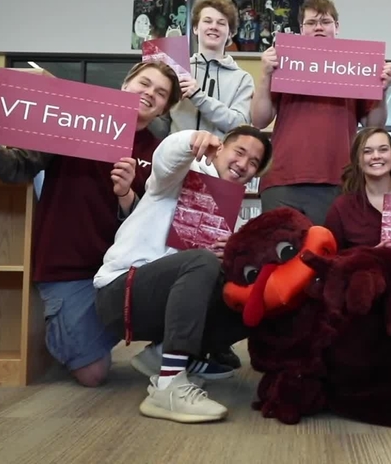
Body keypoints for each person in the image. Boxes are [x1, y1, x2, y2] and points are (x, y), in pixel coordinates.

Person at [0, 61, 181, 386]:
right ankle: (82, 331)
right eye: (144, 83)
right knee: (94, 374)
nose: (150, 94)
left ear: (164, 109)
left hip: (123, 273)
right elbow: (17, 169)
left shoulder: (161, 152)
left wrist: (126, 196)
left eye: (161, 94)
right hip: (67, 269)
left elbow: (155, 225)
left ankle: (117, 327)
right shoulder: (75, 119)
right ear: (125, 84)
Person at [93, 125, 272, 423]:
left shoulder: (233, 219)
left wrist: (236, 251)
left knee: (250, 295)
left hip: (163, 305)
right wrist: (190, 140)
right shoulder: (179, 176)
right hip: (120, 291)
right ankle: (169, 385)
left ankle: (163, 355)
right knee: (201, 262)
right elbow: (165, 160)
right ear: (221, 148)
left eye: (253, 163)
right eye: (239, 152)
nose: (243, 164)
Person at [250, 0, 391, 225]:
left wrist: (382, 90)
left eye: (325, 22)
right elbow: (258, 120)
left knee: (328, 257)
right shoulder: (284, 61)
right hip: (282, 178)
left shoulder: (355, 65)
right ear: (301, 29)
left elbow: (374, 126)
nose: (318, 28)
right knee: (278, 257)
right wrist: (265, 75)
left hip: (337, 180)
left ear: (336, 27)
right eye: (311, 23)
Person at [152, 0, 254, 138]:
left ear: (230, 33)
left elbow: (240, 125)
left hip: (218, 158)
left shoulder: (242, 79)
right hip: (176, 157)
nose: (213, 27)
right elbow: (162, 122)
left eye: (221, 23)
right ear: (195, 28)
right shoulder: (175, 68)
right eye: (207, 21)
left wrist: (198, 97)